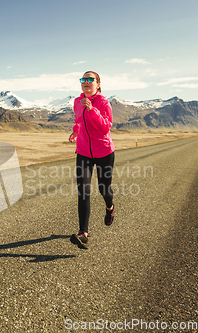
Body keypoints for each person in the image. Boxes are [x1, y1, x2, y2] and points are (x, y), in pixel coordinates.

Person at [69, 71, 115, 249]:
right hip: (83, 152)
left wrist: (92, 109)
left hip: (104, 152)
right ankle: (83, 233)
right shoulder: (77, 102)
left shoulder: (103, 103)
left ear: (98, 84)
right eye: (83, 79)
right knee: (83, 191)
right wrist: (75, 130)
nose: (86, 82)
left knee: (104, 188)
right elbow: (79, 120)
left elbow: (105, 128)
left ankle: (110, 208)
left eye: (90, 79)